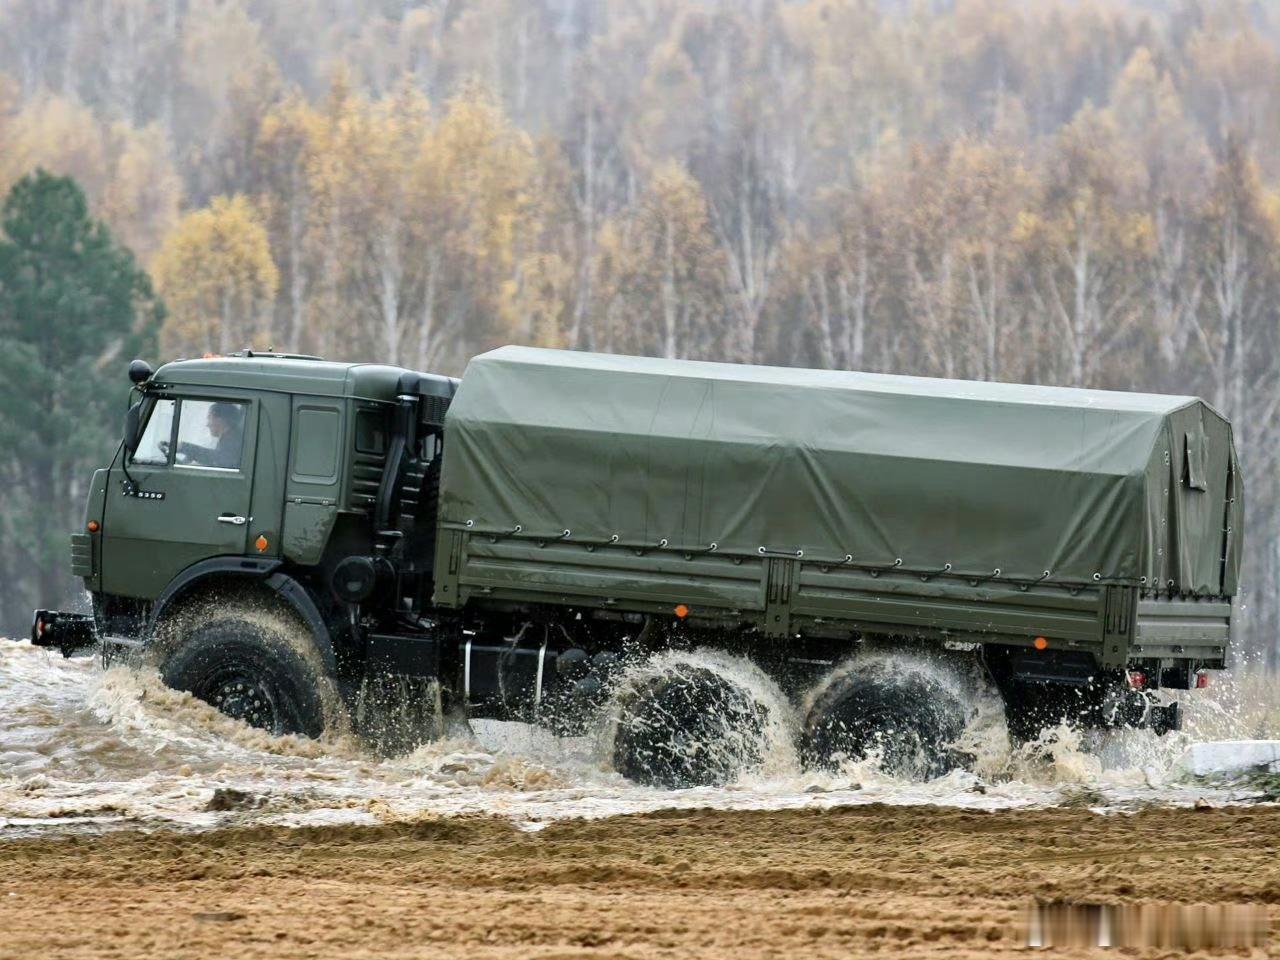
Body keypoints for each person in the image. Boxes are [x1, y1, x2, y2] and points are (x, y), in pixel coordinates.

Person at [175, 402, 244, 468]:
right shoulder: (229, 438)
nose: (207, 425)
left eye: (209, 418)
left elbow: (219, 459)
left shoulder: (234, 441)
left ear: (219, 420)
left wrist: (184, 447)